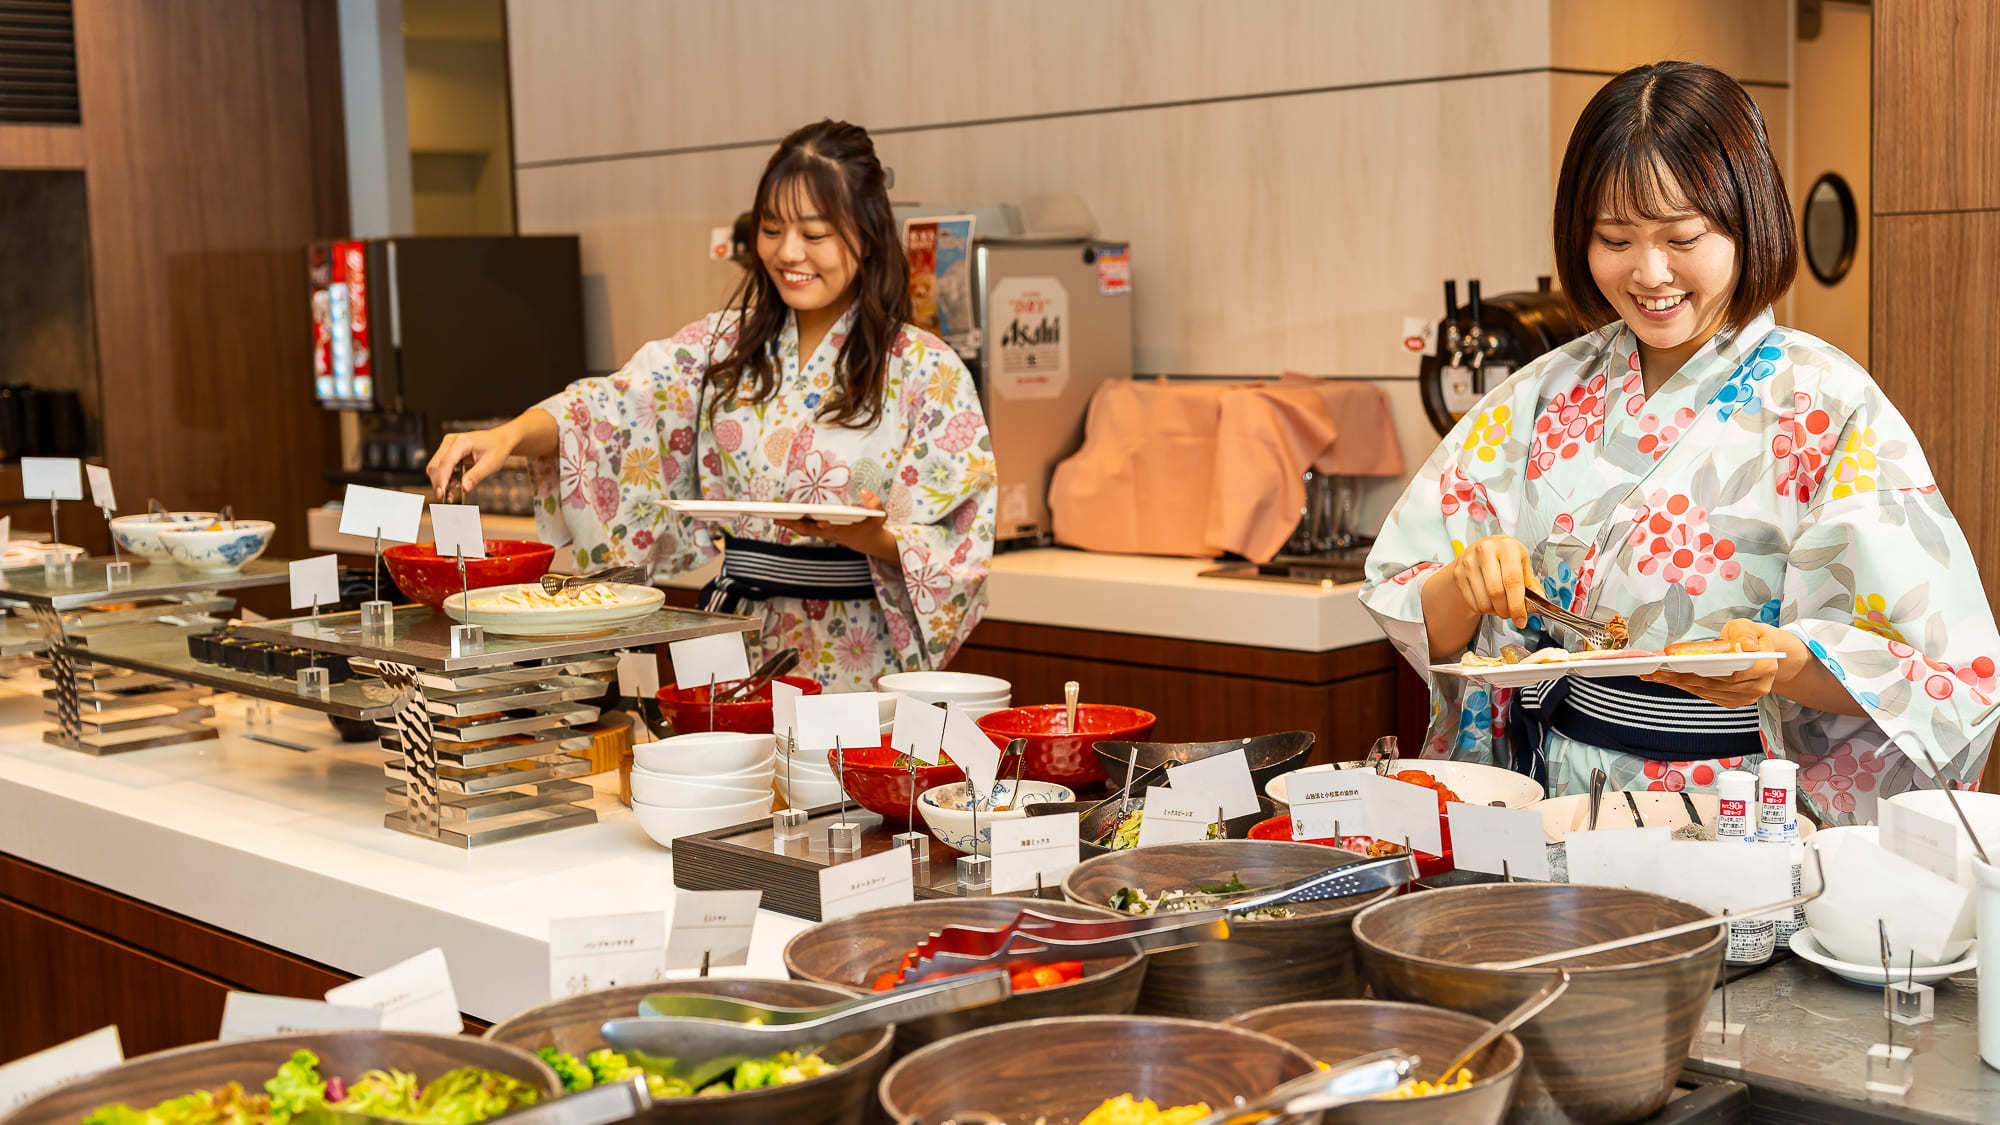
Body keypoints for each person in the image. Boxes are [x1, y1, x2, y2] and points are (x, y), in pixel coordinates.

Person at [1360, 61, 2000, 823]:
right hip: (1557, 799)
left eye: (1683, 236)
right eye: (1615, 238)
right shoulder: (1542, 394)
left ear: (1747, 221)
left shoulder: (1826, 404)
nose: (1649, 271)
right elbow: (1410, 602)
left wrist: (1785, 665)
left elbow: (1950, 676)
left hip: (1739, 809)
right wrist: (1464, 584)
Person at [427, 120, 996, 691]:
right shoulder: (724, 349)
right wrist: (508, 436)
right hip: (733, 635)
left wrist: (869, 536)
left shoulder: (926, 369)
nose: (789, 252)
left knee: (831, 777)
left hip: (856, 650)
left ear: (867, 235)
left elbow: (959, 543)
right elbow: (609, 409)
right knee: (722, 773)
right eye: (772, 229)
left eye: (815, 233)